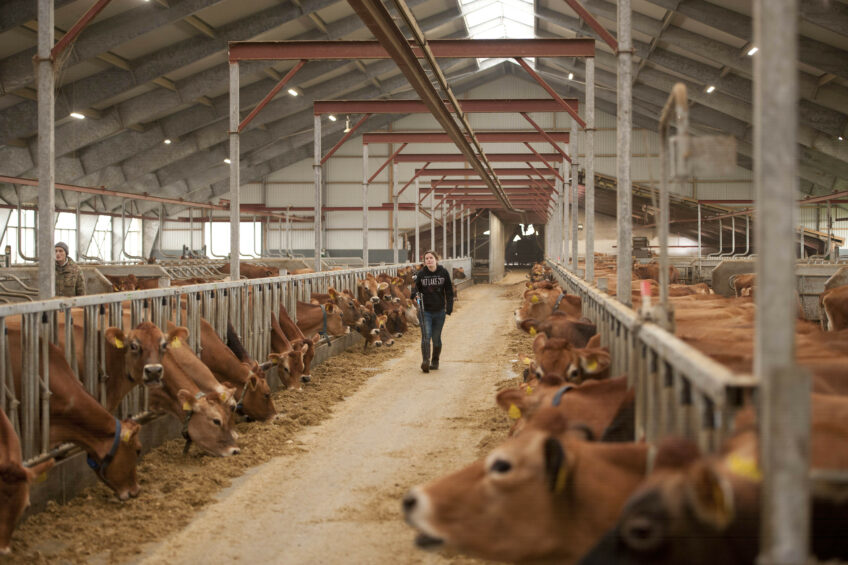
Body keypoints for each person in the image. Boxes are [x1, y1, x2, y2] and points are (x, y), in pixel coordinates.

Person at [412, 251, 453, 373]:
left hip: (439, 311)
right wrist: (414, 295)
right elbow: (415, 289)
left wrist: (449, 307)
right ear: (424, 261)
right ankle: (426, 361)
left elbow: (449, 291)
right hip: (425, 311)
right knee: (426, 336)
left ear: (436, 259)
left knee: (436, 337)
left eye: (431, 258)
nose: (429, 260)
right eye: (426, 258)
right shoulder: (421, 274)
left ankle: (435, 361)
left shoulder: (443, 272)